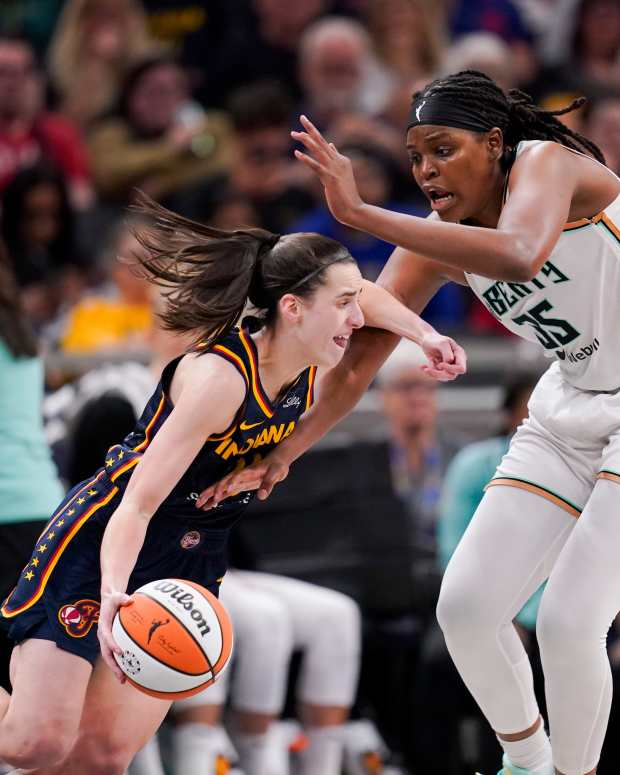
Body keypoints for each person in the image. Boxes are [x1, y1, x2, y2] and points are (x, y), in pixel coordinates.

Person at [200, 70, 620, 775]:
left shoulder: (547, 164)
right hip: (572, 396)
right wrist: (285, 452)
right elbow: (358, 363)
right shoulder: (435, 238)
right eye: (416, 155)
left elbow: (521, 252)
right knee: (466, 608)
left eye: (442, 148)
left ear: (494, 142)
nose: (426, 169)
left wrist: (361, 214)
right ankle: (525, 762)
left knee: (570, 621)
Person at [0, 194, 464, 774]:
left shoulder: (306, 357)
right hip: (105, 542)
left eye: (354, 303)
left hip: (191, 555)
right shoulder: (220, 379)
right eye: (343, 306)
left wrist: (423, 337)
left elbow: (363, 299)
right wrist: (115, 592)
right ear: (293, 308)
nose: (356, 317)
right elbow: (137, 506)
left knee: (103, 756)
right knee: (32, 744)